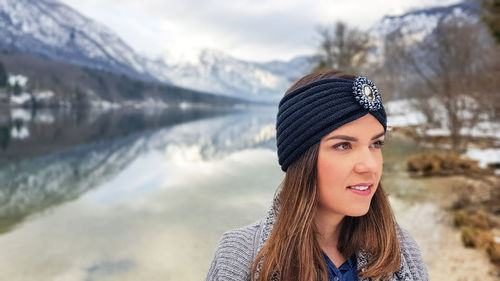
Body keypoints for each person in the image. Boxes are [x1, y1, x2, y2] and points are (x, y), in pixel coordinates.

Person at [204, 70, 429, 281]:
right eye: (343, 145)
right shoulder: (238, 256)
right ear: (302, 158)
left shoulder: (401, 250)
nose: (370, 166)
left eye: (376, 143)